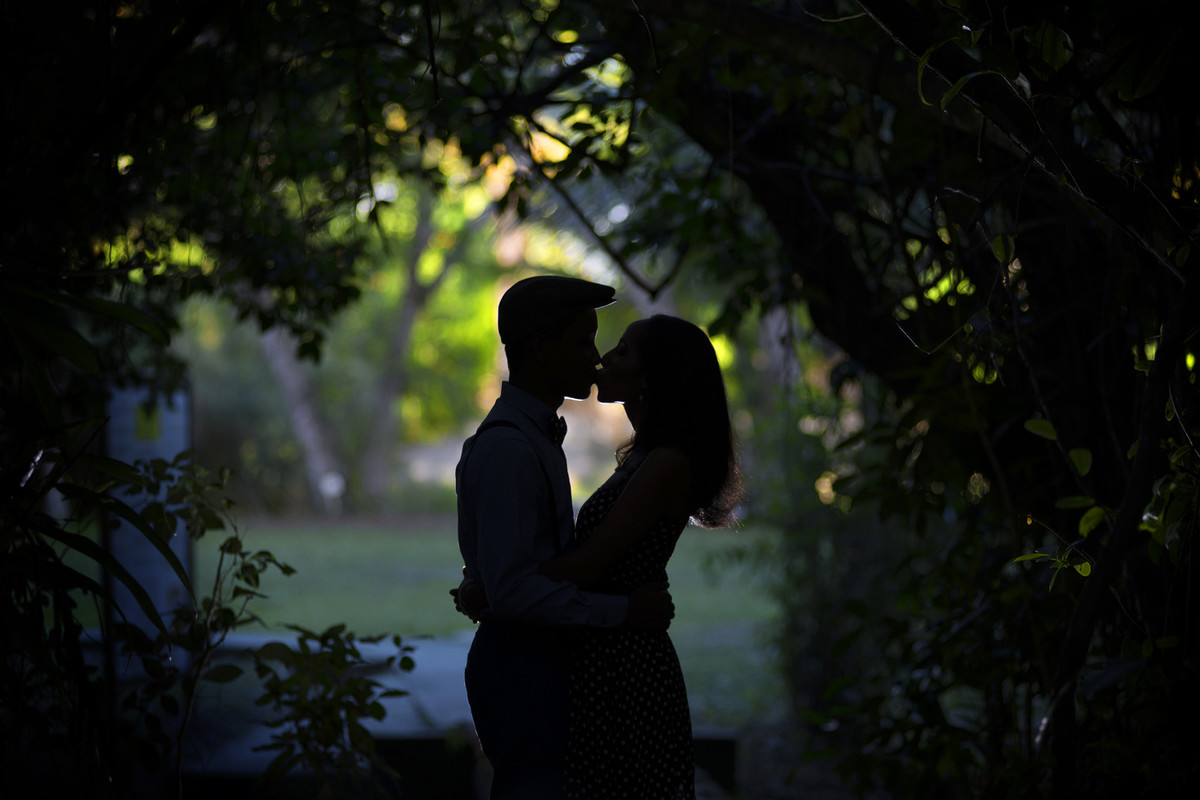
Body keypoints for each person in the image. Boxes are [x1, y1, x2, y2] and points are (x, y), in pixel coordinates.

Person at [460, 314, 741, 799]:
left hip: (625, 666)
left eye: (622, 351)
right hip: (610, 656)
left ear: (652, 377)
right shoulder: (643, 456)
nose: (602, 358)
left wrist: (496, 583)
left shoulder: (665, 462)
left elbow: (587, 564)